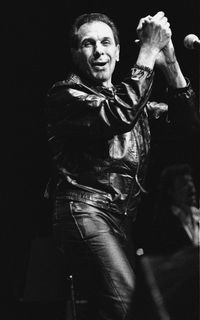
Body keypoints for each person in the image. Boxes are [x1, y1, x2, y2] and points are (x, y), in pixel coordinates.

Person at [44, 11, 198, 320]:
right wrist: (148, 51)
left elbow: (189, 125)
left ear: (117, 51)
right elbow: (118, 115)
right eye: (88, 44)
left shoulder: (130, 101)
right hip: (86, 213)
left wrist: (169, 62)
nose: (99, 50)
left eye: (105, 42)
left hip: (118, 222)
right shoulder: (65, 95)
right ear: (76, 54)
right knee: (134, 312)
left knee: (137, 307)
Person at [149, 163, 200, 255]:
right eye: (183, 183)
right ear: (170, 191)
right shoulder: (164, 222)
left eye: (191, 181)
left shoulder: (197, 216)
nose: (190, 186)